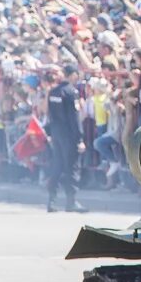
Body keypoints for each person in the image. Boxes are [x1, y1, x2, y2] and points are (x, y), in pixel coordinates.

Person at [44, 63, 84, 213]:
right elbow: (74, 117)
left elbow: (50, 115)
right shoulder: (70, 92)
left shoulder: (53, 91)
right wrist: (80, 138)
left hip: (56, 132)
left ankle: (51, 201)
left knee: (57, 166)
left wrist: (50, 132)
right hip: (69, 134)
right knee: (72, 167)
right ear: (72, 75)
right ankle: (71, 202)